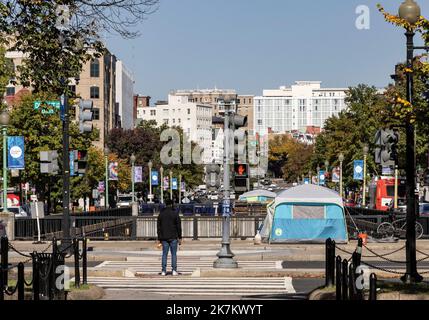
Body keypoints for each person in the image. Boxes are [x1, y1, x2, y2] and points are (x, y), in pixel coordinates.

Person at [157, 197, 182, 276]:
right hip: (173, 236)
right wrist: (180, 237)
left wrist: (159, 238)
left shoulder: (161, 214)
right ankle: (174, 270)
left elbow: (159, 227)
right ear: (172, 204)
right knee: (173, 254)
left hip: (164, 237)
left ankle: (163, 271)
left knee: (164, 254)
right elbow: (178, 226)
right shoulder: (175, 214)